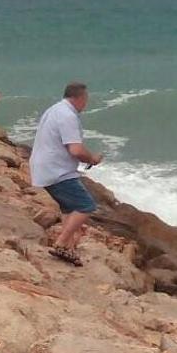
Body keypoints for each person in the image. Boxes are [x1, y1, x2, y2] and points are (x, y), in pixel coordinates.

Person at [30, 82, 103, 266]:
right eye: (86, 100)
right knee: (86, 206)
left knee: (69, 208)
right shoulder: (68, 116)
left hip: (44, 167)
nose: (85, 105)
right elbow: (76, 150)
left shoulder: (55, 109)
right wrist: (92, 159)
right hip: (57, 170)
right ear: (79, 98)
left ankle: (69, 249)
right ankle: (61, 243)